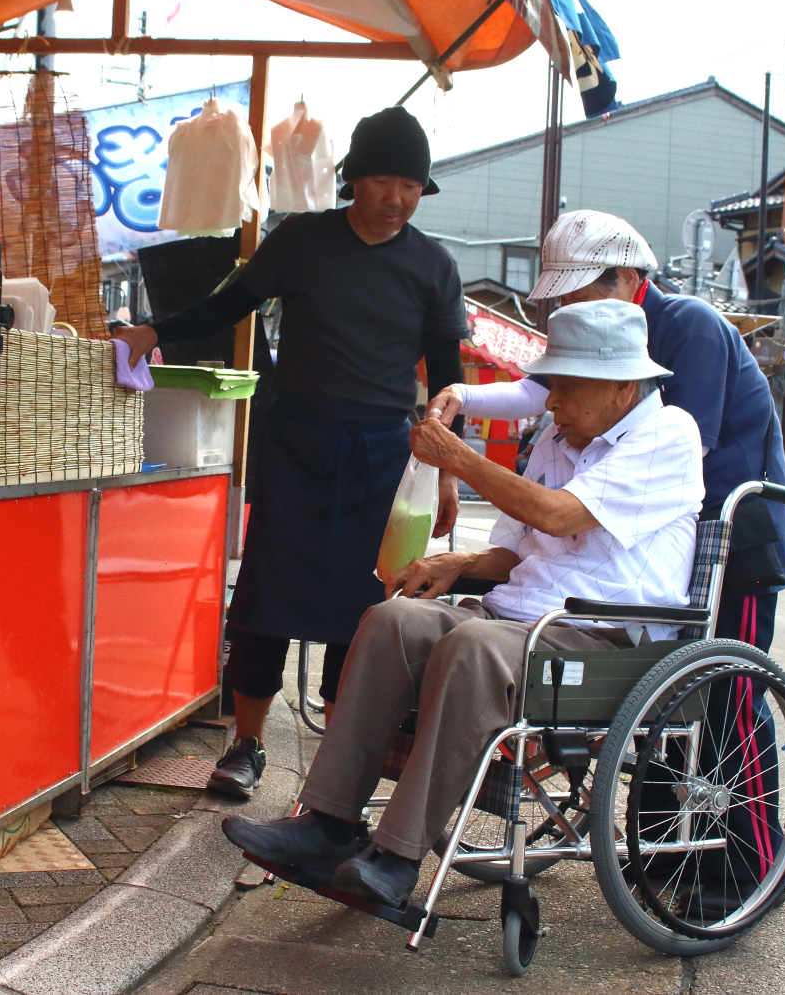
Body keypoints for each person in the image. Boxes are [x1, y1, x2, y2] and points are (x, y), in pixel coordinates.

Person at [221, 299, 703, 905]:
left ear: (623, 386)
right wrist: (456, 563)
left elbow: (557, 515)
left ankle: (397, 856)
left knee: (473, 644)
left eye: (566, 388)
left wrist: (459, 459)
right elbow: (515, 550)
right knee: (391, 619)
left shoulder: (668, 434)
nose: (550, 402)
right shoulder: (560, 434)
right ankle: (328, 822)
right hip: (523, 619)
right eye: (550, 386)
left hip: (603, 635)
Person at [428, 210, 785, 902]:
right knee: (656, 703)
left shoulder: (690, 327)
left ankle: (751, 865)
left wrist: (574, 498)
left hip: (730, 539)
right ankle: (660, 847)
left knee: (725, 702)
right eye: (559, 301)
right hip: (638, 540)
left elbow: (686, 443)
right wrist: (465, 395)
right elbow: (542, 393)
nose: (567, 310)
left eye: (578, 295)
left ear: (628, 279)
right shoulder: (598, 340)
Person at [113, 107, 469, 799]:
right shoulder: (303, 240)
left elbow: (447, 377)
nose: (396, 198)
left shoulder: (433, 265)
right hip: (299, 444)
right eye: (382, 181)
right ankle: (245, 745)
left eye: (410, 185)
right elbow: (229, 303)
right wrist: (154, 330)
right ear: (353, 181)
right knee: (265, 602)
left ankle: (337, 767)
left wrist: (448, 473)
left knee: (363, 613)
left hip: (383, 460)